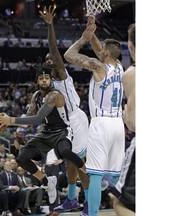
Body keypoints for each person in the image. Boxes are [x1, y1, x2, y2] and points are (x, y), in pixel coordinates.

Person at [0, 63, 86, 205]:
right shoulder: (36, 96)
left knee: (65, 151)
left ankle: (86, 170)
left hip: (62, 131)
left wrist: (10, 120)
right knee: (22, 158)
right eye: (41, 78)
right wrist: (7, 119)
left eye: (46, 78)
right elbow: (30, 115)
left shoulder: (54, 95)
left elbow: (38, 119)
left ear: (51, 80)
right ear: (37, 81)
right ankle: (47, 181)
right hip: (46, 132)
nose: (43, 80)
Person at [64, 16, 125, 216]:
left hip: (101, 124)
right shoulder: (120, 67)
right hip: (118, 124)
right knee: (116, 176)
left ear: (104, 53)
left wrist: (83, 39)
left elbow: (69, 55)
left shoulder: (98, 67)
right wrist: (93, 34)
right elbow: (103, 51)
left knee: (95, 174)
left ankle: (92, 214)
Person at [39, 6, 90, 214]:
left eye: (53, 59)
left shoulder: (60, 73)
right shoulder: (48, 85)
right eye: (48, 60)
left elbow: (53, 50)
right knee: (70, 162)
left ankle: (89, 202)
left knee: (79, 163)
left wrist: (50, 25)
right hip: (65, 124)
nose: (51, 60)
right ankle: (71, 199)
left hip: (76, 120)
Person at [110, 23, 136, 216]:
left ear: (131, 45)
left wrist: (125, 113)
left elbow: (134, 123)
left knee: (120, 204)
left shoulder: (133, 73)